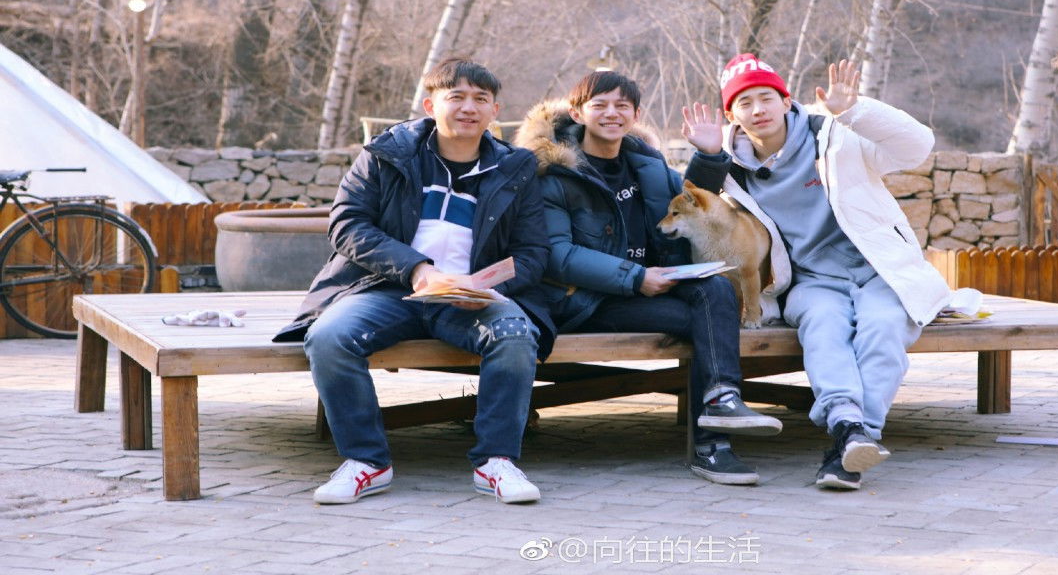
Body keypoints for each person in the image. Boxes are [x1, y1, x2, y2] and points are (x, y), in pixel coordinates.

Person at [274, 58, 553, 505]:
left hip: (473, 295)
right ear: (430, 105)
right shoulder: (387, 153)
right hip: (386, 287)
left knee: (515, 334)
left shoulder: (515, 168)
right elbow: (347, 224)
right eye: (455, 97)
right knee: (328, 337)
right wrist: (417, 269)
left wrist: (487, 288)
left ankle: (496, 461)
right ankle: (366, 461)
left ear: (495, 111)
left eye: (480, 99)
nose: (468, 108)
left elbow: (534, 252)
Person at [683, 53, 953, 491]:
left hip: (880, 270)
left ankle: (854, 435)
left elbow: (917, 146)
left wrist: (856, 110)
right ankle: (849, 431)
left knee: (883, 327)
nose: (759, 109)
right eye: (745, 102)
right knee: (824, 329)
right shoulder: (733, 169)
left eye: (767, 97)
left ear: (786, 100)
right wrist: (708, 155)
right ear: (731, 115)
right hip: (811, 280)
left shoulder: (836, 134)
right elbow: (696, 204)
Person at [514, 70, 782, 485]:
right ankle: (713, 444)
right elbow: (558, 256)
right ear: (577, 113)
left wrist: (710, 155)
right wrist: (635, 276)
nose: (612, 113)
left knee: (715, 290)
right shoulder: (554, 173)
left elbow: (689, 205)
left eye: (622, 105)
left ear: (635, 114)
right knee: (709, 319)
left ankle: (722, 401)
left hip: (647, 288)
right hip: (585, 299)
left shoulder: (647, 163)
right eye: (600, 105)